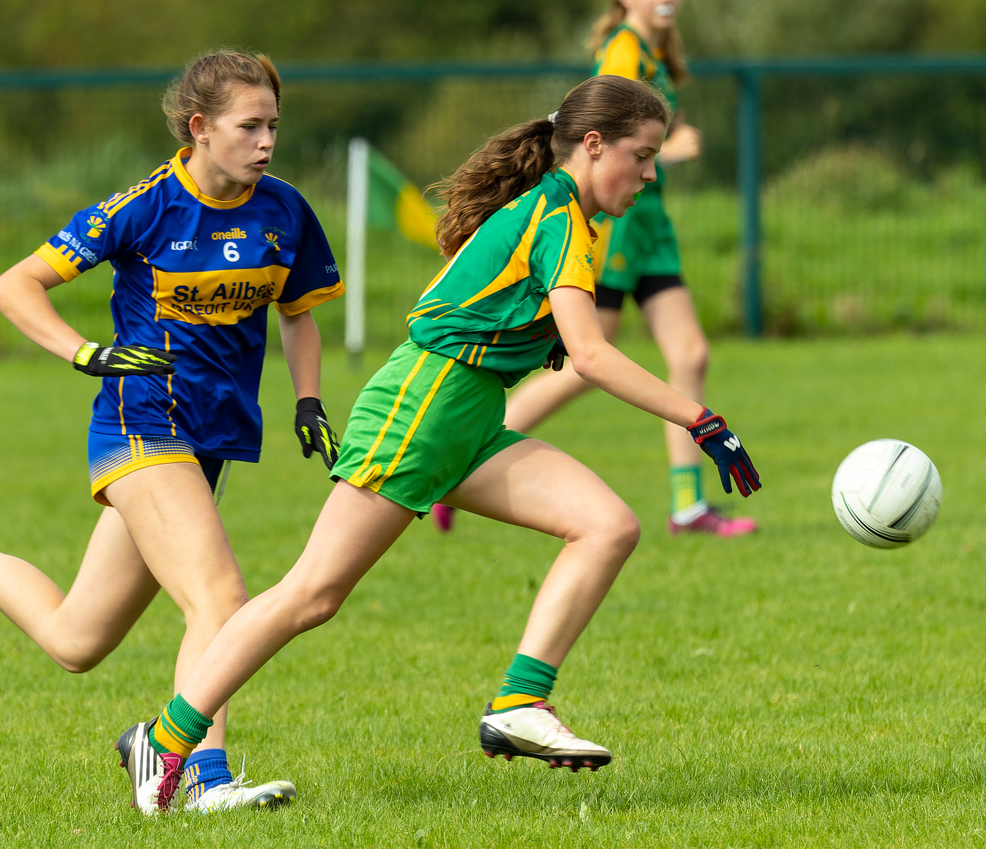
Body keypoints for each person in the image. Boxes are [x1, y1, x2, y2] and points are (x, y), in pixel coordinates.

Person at [111, 74, 761, 812]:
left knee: (607, 525)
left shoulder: (564, 214)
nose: (649, 174)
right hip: (423, 407)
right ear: (592, 144)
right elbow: (591, 354)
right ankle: (164, 740)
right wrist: (700, 419)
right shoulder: (555, 217)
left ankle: (520, 703)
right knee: (312, 593)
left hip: (470, 413)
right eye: (641, 156)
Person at [0, 49, 344, 816]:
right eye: (250, 126)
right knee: (220, 597)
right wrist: (84, 352)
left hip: (210, 439)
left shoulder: (284, 210)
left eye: (273, 126)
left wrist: (308, 399)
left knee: (75, 639)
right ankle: (199, 776)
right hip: (141, 424)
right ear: (199, 128)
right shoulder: (145, 206)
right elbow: (13, 286)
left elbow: (298, 312)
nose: (267, 142)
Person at [432, 0, 756, 538]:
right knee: (590, 355)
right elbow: (607, 142)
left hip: (650, 227)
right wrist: (668, 152)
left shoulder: (654, 52)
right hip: (619, 227)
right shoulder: (624, 48)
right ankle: (468, 454)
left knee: (689, 353)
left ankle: (687, 506)